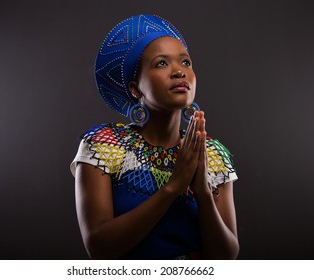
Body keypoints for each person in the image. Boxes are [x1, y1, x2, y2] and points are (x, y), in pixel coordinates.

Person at [70, 14, 239, 260]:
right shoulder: (104, 145)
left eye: (186, 62)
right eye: (161, 63)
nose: (179, 72)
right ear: (135, 88)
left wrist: (202, 191)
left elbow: (226, 259)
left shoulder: (211, 154)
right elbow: (99, 248)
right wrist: (173, 186)